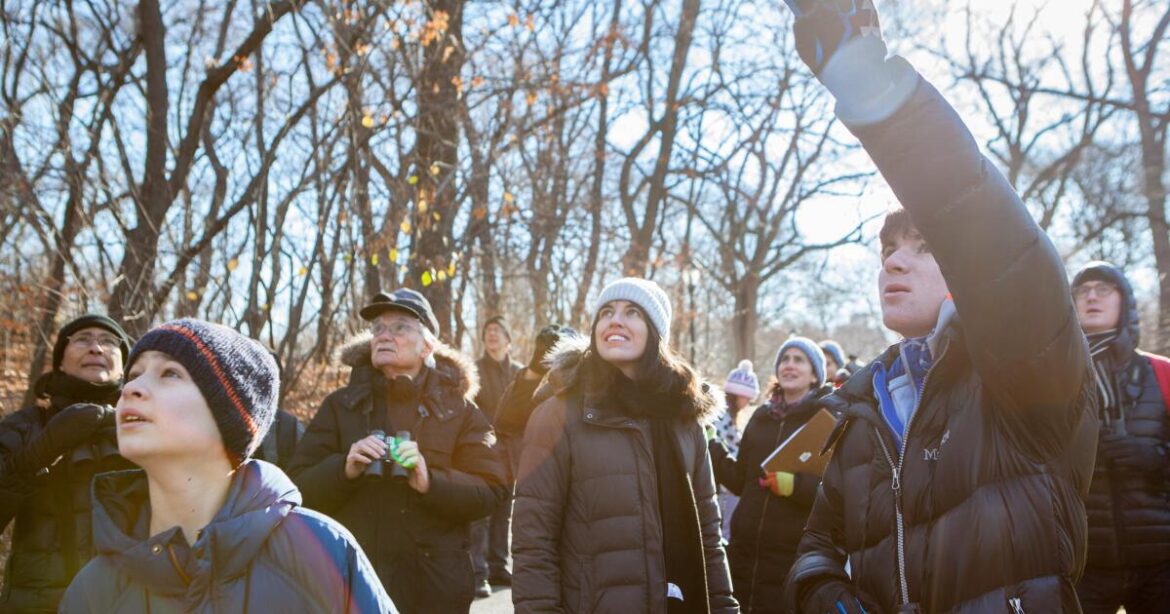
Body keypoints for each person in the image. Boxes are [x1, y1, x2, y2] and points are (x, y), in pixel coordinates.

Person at [779, 2, 1097, 612]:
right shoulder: (860, 406)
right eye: (887, 251)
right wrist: (829, 597)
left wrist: (870, 82)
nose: (893, 263)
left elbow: (983, 226)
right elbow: (817, 546)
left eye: (923, 247)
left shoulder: (1021, 371)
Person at [59, 318, 394, 613]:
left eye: (170, 373)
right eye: (133, 375)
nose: (131, 388)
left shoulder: (323, 551)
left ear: (229, 416)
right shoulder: (93, 587)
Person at [512, 277, 737, 613]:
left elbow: (708, 535)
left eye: (632, 312)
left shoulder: (683, 419)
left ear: (656, 332)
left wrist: (724, 607)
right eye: (606, 312)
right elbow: (533, 542)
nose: (615, 320)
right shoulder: (556, 416)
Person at [288, 289, 507, 612]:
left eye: (400, 327)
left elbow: (492, 488)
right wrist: (343, 470)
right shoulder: (340, 406)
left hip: (434, 591)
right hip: (353, 587)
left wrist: (429, 481)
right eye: (378, 328)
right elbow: (296, 488)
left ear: (428, 345)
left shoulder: (459, 411)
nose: (384, 335)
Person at [0, 314, 132, 613]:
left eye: (109, 341)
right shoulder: (25, 426)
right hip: (39, 604)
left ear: (124, 364)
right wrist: (33, 458)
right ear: (60, 361)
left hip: (138, 600)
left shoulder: (149, 423)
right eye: (83, 339)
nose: (96, 348)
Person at [1072, 262, 1170, 613]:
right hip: (1085, 565)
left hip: (1161, 562)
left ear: (1124, 302)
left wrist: (1155, 456)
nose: (1092, 296)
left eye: (1103, 289)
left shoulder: (1162, 372)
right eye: (1083, 291)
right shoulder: (1057, 380)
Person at [710, 338, 833, 613]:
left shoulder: (826, 421)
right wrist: (711, 445)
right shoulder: (760, 418)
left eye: (799, 359)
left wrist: (795, 486)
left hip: (790, 557)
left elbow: (836, 493)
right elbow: (740, 481)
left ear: (815, 375)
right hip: (744, 552)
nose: (789, 365)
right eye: (785, 359)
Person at [486, 324, 577, 588]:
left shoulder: (593, 388)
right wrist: (535, 371)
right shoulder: (528, 382)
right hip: (531, 473)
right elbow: (504, 418)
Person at [471, 315, 523, 594]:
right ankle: (479, 573)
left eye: (497, 330)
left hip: (512, 452)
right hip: (482, 450)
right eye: (488, 330)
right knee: (481, 512)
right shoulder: (475, 370)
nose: (491, 335)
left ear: (508, 339)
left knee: (504, 512)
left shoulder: (519, 372)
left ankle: (499, 567)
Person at [710, 359, 761, 539]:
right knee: (725, 527)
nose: (748, 402)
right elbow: (727, 449)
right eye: (747, 397)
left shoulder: (731, 417)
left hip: (726, 481)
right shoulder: (723, 419)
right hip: (725, 482)